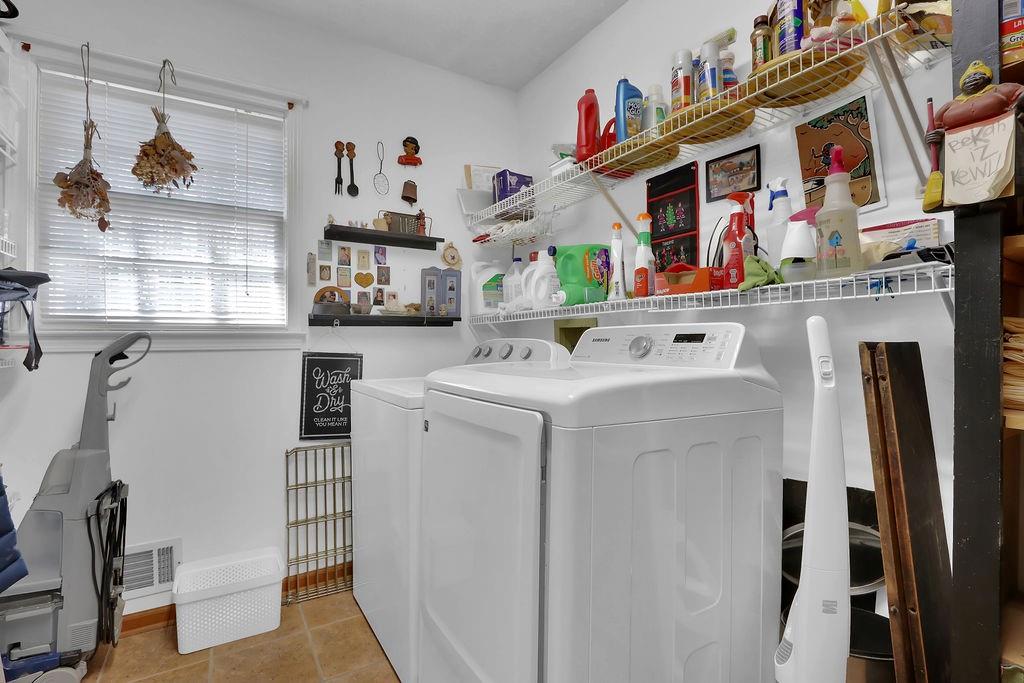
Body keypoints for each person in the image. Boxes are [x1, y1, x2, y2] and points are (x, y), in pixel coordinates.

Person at [926, 60, 1024, 146]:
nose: (973, 78)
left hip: (1002, 140)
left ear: (987, 78)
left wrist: (1015, 109)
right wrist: (934, 137)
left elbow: (1021, 93)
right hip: (959, 149)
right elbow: (932, 131)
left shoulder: (999, 89)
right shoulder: (950, 105)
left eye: (978, 75)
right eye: (969, 77)